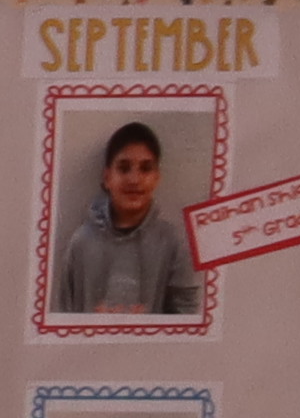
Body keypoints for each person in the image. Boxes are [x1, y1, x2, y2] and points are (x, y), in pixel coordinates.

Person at [53, 126, 202, 322]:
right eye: (123, 168)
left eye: (145, 168)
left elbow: (187, 318)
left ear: (156, 177)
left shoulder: (174, 243)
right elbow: (64, 315)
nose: (134, 179)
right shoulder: (81, 243)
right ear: (107, 177)